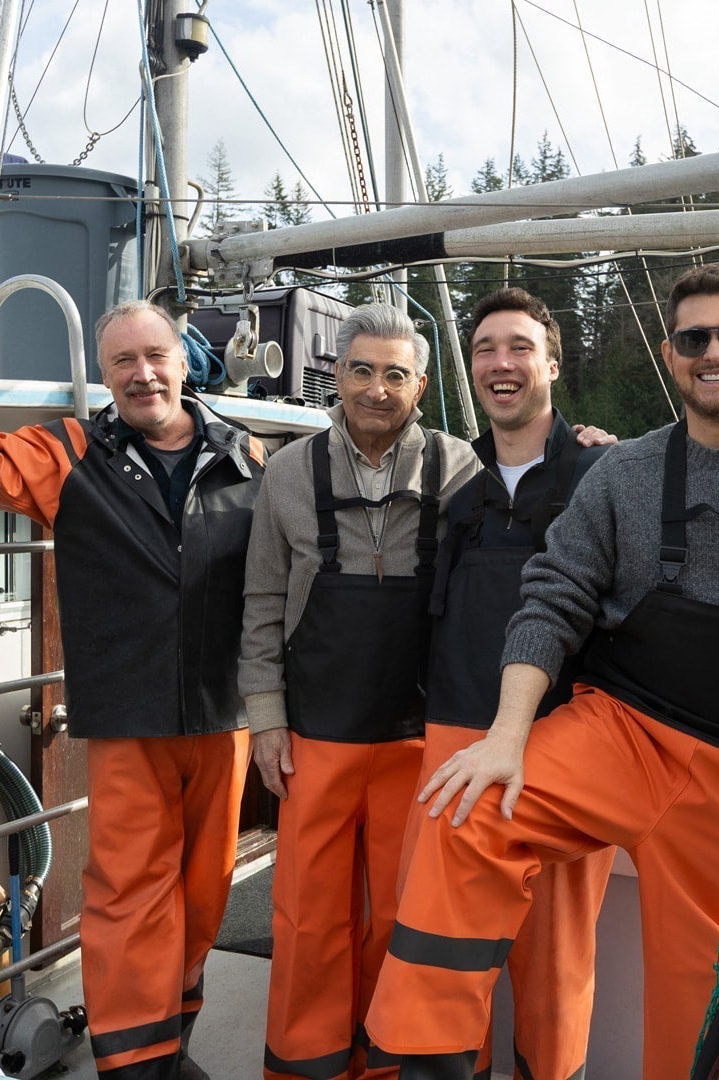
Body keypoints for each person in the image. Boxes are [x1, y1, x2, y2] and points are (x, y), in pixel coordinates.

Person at [365, 262, 719, 1079]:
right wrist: (505, 737)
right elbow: (552, 597)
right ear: (671, 356)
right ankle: (431, 1063)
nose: (714, 352)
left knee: (702, 1021)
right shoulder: (624, 473)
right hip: (624, 733)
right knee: (463, 814)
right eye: (693, 339)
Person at [0, 281, 263, 1080]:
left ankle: (170, 1047)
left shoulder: (246, 453)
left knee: (205, 895)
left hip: (226, 717)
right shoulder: (71, 453)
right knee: (129, 897)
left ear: (184, 365)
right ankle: (133, 1066)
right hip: (128, 717)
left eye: (155, 357)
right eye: (123, 362)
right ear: (105, 375)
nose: (142, 374)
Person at [237, 302, 479, 1080]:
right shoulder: (287, 473)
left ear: (421, 384)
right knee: (309, 915)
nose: (378, 389)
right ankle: (305, 1065)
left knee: (406, 916)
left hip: (422, 741)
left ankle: (387, 1061)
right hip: (317, 734)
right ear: (336, 376)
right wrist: (266, 720)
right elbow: (263, 606)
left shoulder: (459, 468)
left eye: (396, 374)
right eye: (362, 371)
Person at [416, 287, 616, 1080]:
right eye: (486, 350)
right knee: (447, 962)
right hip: (454, 747)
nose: (502, 364)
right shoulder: (456, 495)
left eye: (520, 347)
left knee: (556, 968)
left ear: (553, 366)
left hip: (563, 752)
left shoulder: (606, 475)